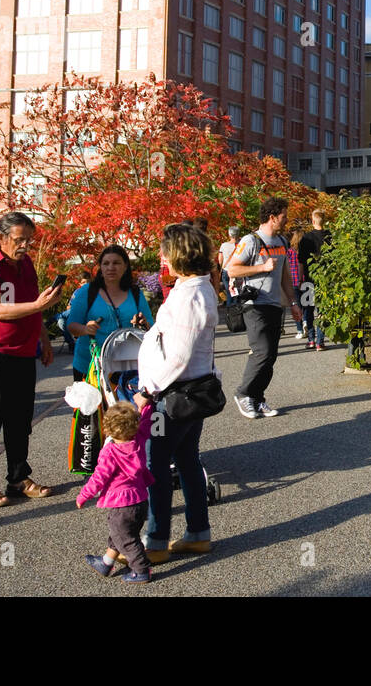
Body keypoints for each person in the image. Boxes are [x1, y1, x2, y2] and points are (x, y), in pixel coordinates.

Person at [0, 212, 66, 508]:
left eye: (28, 240)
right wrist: (38, 305)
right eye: (19, 240)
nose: (25, 246)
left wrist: (43, 338)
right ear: (1, 238)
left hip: (22, 351)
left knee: (20, 422)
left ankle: (19, 477)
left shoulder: (25, 264)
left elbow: (33, 306)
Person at [137, 223, 218, 561]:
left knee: (156, 465)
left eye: (165, 250)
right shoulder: (198, 288)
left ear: (179, 254)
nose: (161, 256)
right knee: (186, 460)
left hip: (172, 397)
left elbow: (180, 355)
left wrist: (148, 390)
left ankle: (154, 542)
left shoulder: (190, 295)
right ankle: (197, 533)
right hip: (191, 394)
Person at [227, 197, 296, 420]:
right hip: (255, 305)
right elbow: (232, 270)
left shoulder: (282, 242)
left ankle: (257, 398)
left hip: (276, 304)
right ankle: (243, 394)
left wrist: (294, 303)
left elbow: (285, 275)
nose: (286, 220)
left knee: (271, 355)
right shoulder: (250, 241)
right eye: (283, 216)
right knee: (262, 352)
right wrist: (262, 267)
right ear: (272, 217)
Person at [76, 394, 156, 583]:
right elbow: (146, 421)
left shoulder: (110, 452)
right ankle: (106, 561)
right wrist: (146, 405)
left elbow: (99, 478)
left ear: (109, 428)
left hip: (122, 505)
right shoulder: (139, 438)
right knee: (122, 534)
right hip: (140, 500)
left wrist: (83, 495)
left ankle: (141, 570)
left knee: (126, 539)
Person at [66, 245, 154, 383]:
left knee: (125, 405)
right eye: (106, 263)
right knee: (94, 405)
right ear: (100, 268)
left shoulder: (135, 292)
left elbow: (151, 326)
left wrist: (144, 323)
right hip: (90, 366)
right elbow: (71, 325)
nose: (110, 267)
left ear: (125, 266)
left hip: (127, 367)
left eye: (116, 263)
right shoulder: (87, 292)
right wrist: (85, 329)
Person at [297, 209, 330, 351]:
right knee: (322, 310)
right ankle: (320, 341)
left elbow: (301, 262)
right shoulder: (330, 236)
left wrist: (299, 278)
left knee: (308, 309)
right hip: (326, 279)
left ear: (313, 220)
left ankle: (311, 339)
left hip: (309, 278)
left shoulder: (306, 238)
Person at [218, 227, 242, 303]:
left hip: (226, 270)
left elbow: (220, 259)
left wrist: (220, 268)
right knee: (235, 291)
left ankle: (229, 308)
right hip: (236, 271)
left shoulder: (224, 245)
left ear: (229, 234)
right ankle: (235, 309)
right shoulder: (241, 245)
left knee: (228, 291)